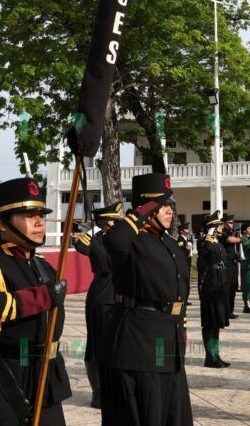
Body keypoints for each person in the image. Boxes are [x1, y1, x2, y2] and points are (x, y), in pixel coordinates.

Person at [0, 177, 71, 425]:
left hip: (46, 378)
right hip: (6, 378)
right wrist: (43, 296)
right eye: (29, 215)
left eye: (41, 214)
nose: (40, 222)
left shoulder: (44, 266)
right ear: (1, 223)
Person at [99, 174, 192, 425]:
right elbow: (113, 241)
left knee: (173, 412)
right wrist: (143, 211)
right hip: (139, 340)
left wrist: (180, 327)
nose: (168, 210)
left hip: (167, 338)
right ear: (145, 207)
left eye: (170, 205)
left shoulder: (169, 243)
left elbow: (179, 290)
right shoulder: (132, 240)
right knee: (147, 411)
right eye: (161, 205)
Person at [72, 201, 122, 409]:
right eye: (112, 220)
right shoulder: (96, 239)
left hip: (121, 293)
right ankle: (98, 393)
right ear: (104, 221)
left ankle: (114, 389)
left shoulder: (120, 240)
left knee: (117, 345)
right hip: (102, 294)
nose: (116, 223)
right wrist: (95, 228)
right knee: (97, 344)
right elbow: (79, 246)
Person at [198, 212, 231, 368]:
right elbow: (205, 253)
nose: (221, 227)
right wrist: (209, 235)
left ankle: (216, 354)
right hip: (210, 284)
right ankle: (209, 357)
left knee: (216, 322)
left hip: (220, 283)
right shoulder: (205, 242)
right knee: (210, 322)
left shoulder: (217, 241)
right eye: (218, 225)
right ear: (211, 227)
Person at [222, 214, 242, 320]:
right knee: (227, 287)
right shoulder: (223, 233)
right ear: (224, 223)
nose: (232, 224)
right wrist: (241, 239)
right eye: (230, 222)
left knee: (233, 288)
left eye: (232, 222)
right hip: (227, 263)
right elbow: (230, 240)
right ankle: (225, 311)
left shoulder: (232, 232)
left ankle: (230, 311)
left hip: (234, 263)